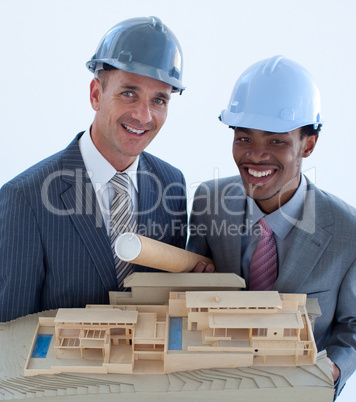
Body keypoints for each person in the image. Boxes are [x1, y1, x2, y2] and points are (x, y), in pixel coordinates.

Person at [0, 16, 190, 322]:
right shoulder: (25, 198)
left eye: (159, 100)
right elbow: (9, 336)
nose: (143, 116)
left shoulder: (172, 185)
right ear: (95, 94)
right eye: (129, 93)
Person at [187, 55, 356, 398]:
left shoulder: (347, 232)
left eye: (276, 140)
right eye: (244, 138)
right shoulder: (208, 200)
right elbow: (187, 287)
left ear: (308, 144)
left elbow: (352, 325)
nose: (256, 156)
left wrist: (335, 368)